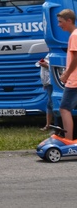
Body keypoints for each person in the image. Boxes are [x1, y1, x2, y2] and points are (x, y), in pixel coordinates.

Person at [57, 9, 77, 140]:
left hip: (74, 80)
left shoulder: (74, 36)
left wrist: (66, 75)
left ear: (69, 21)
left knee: (64, 108)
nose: (59, 25)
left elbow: (76, 58)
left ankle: (68, 141)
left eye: (61, 22)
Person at [37, 55, 56, 131]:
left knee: (51, 103)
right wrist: (44, 83)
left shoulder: (54, 55)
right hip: (48, 83)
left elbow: (56, 68)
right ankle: (49, 125)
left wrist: (46, 65)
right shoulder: (49, 55)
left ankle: (54, 124)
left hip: (52, 83)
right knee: (50, 104)